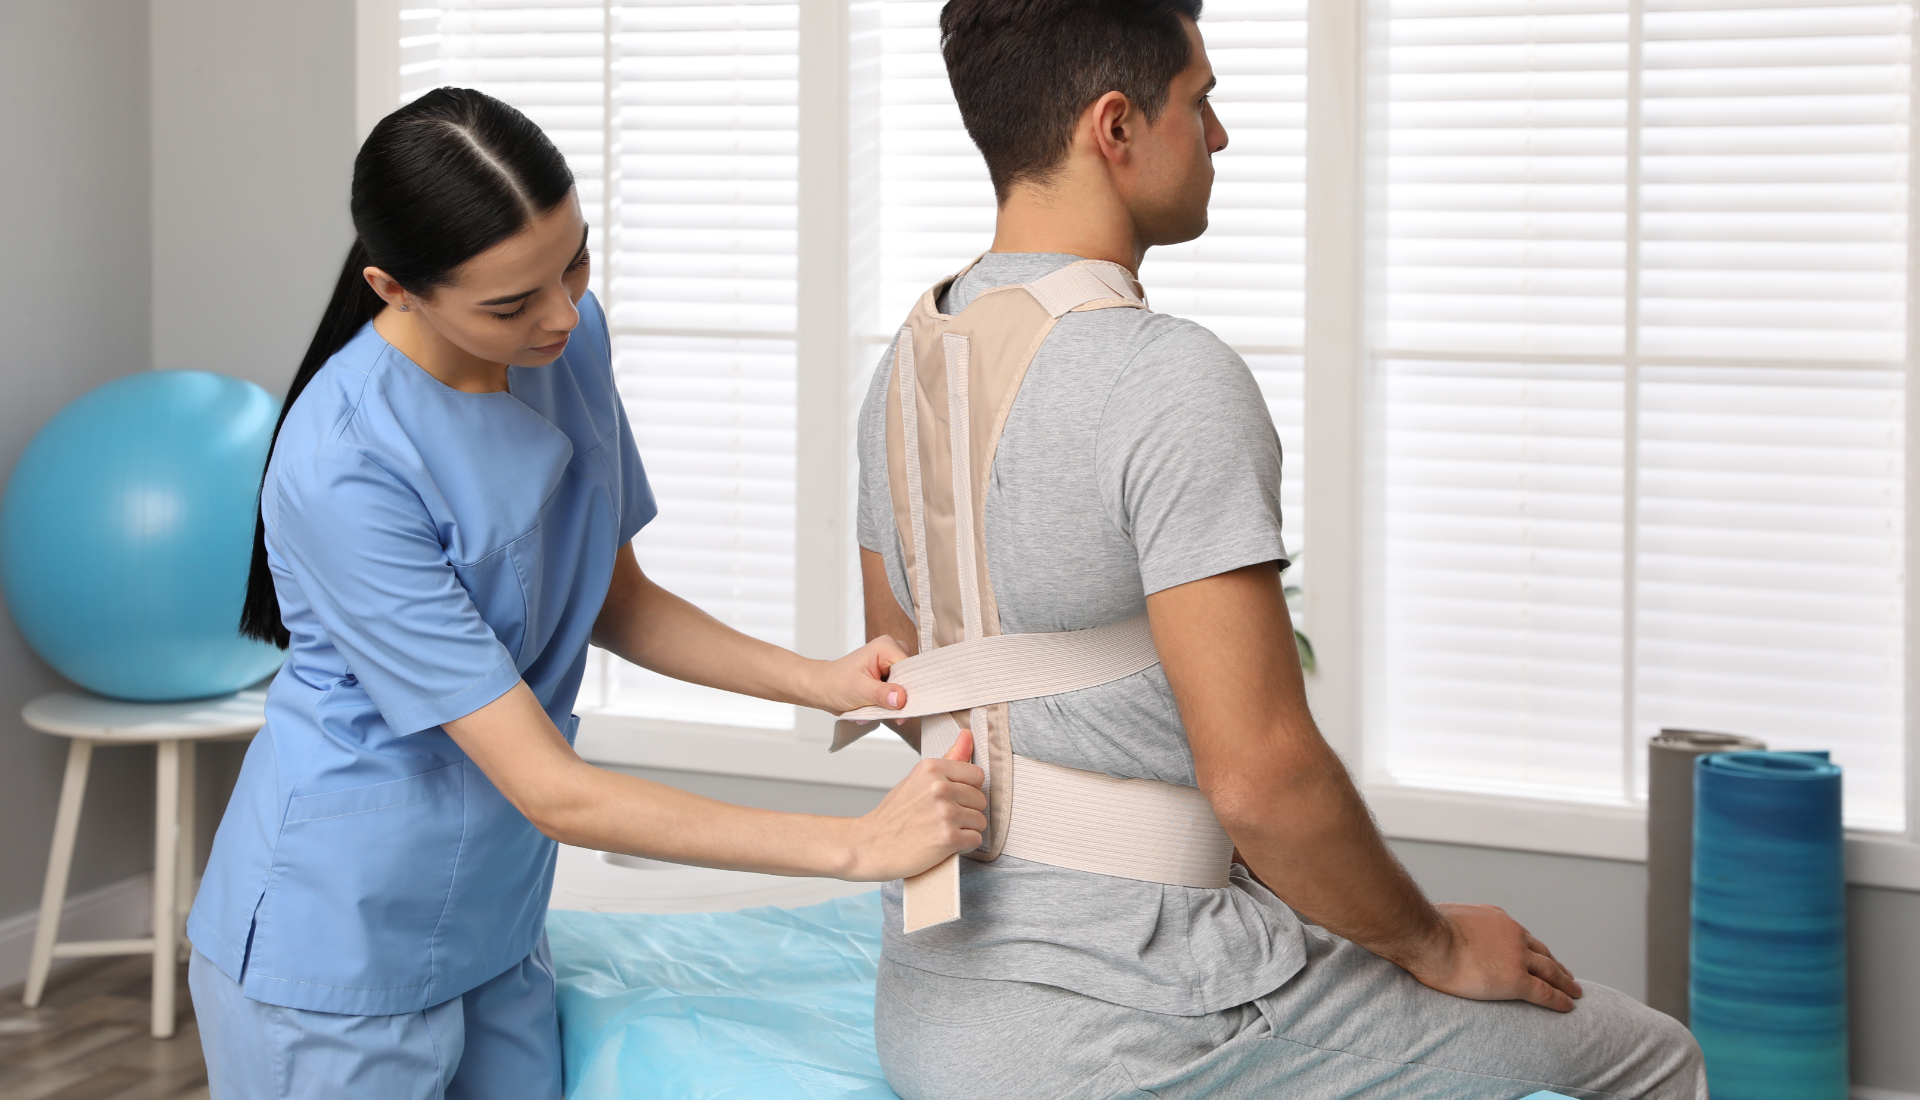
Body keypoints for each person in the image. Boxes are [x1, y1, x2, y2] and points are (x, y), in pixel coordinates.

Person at [854, 3, 1706, 1099]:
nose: (1218, 136)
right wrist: (1437, 944)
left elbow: (903, 679)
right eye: (1199, 100)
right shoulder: (1165, 376)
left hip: (927, 1000)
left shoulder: (907, 366)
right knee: (1648, 1052)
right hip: (1121, 1024)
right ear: (1115, 127)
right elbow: (1265, 778)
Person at [185, 87, 987, 1100]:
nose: (562, 312)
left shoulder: (564, 343)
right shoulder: (342, 462)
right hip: (338, 937)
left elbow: (614, 599)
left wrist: (820, 681)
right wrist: (853, 843)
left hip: (494, 919)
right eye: (512, 302)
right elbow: (552, 786)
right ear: (394, 287)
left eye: (575, 262)